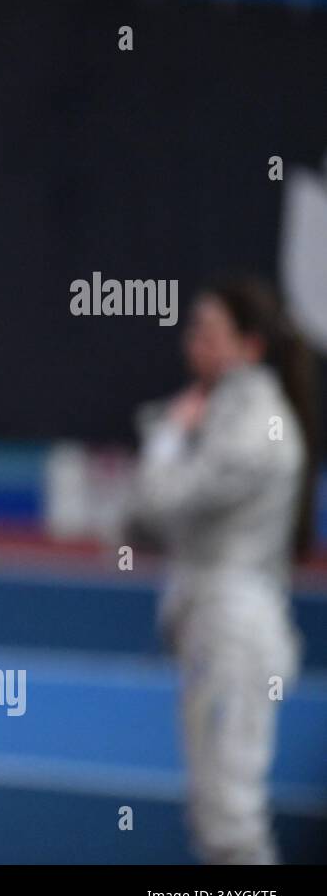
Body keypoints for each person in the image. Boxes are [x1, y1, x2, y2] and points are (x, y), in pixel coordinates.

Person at [122, 275, 321, 864]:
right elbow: (140, 522)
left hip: (236, 632)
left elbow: (151, 507)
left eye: (208, 333)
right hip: (217, 625)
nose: (192, 345)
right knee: (215, 814)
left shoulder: (254, 428)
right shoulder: (226, 417)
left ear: (250, 346)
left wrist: (167, 439)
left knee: (231, 818)